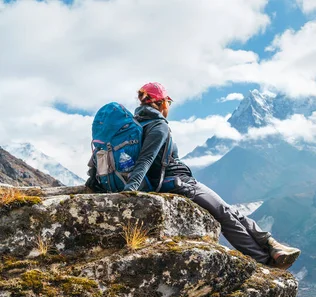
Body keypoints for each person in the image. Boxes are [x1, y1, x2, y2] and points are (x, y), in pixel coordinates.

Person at [86, 82, 300, 268]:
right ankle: (265, 259)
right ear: (160, 103)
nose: (167, 107)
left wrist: (92, 182)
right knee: (224, 214)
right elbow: (147, 159)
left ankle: (272, 246)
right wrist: (130, 190)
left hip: (163, 182)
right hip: (177, 182)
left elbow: (99, 157)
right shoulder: (158, 125)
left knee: (226, 210)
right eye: (167, 103)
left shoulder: (133, 125)